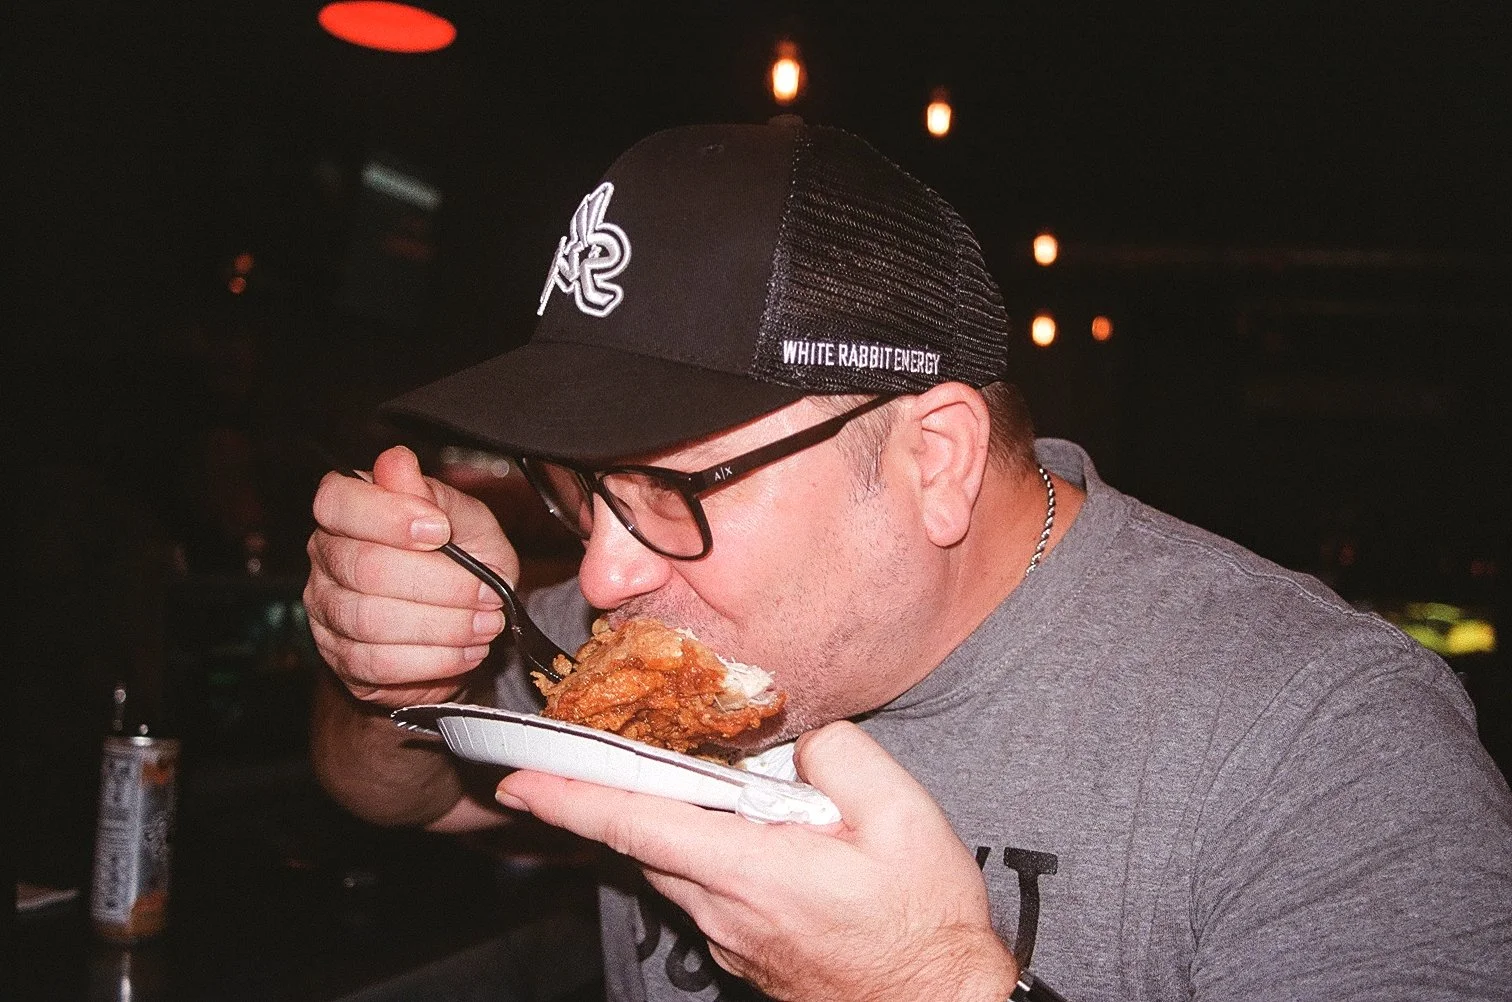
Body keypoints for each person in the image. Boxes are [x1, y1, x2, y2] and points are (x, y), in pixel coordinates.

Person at [305, 120, 1512, 1002]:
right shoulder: (662, 624)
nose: (607, 577)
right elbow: (393, 787)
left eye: (670, 489)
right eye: (580, 490)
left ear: (935, 459)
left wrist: (929, 988)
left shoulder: (1323, 744)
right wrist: (394, 665)